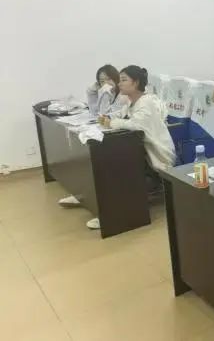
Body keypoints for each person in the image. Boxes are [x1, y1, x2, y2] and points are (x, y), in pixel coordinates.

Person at [60, 66, 176, 230]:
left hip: (157, 159)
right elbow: (120, 114)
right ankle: (84, 196)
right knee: (103, 161)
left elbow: (136, 125)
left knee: (113, 168)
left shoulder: (147, 102)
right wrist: (108, 118)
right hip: (141, 154)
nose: (119, 84)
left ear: (135, 83)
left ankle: (110, 215)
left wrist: (111, 122)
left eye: (123, 80)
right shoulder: (131, 101)